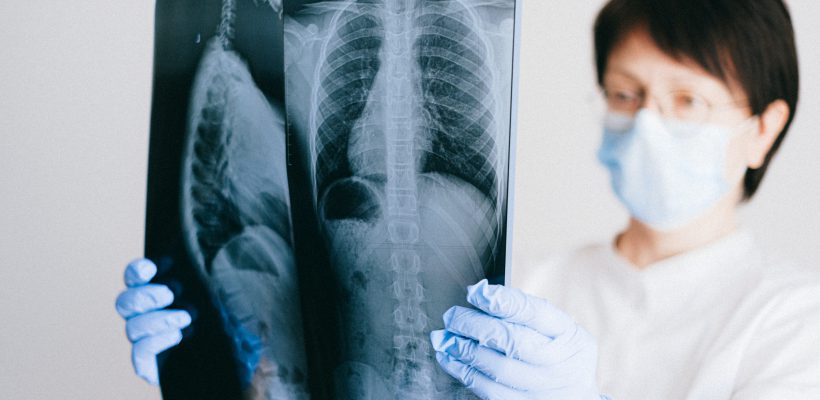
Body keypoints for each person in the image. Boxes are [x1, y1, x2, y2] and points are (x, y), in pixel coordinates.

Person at [117, 0, 820, 398]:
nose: (648, 125)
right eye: (626, 94)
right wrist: (220, 367)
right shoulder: (520, 287)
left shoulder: (794, 322)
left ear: (765, 128)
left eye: (688, 101)